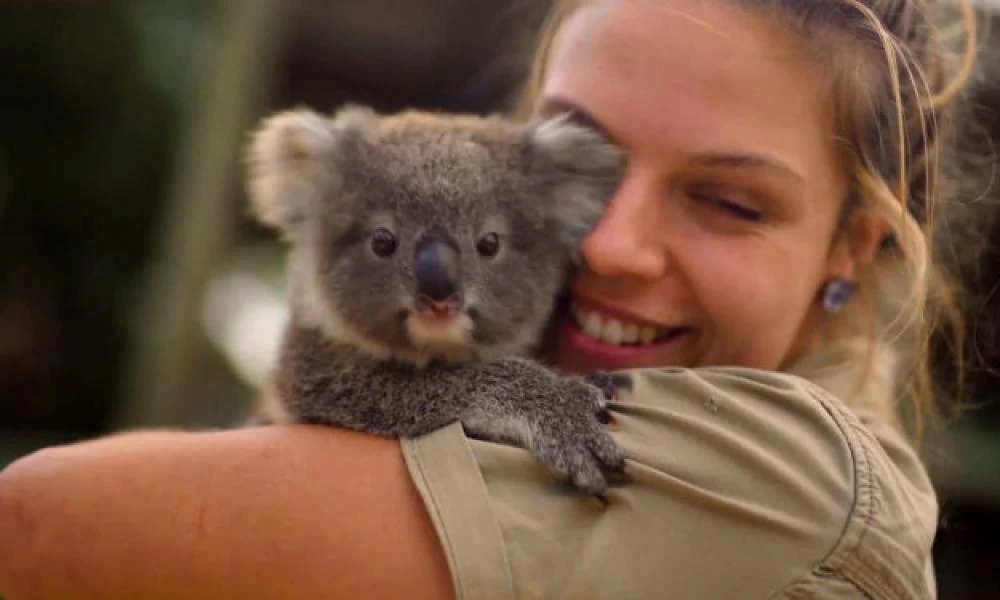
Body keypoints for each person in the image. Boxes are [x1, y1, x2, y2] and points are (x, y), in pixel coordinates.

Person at [0, 0, 984, 597]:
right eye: (577, 168)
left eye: (728, 201)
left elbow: (36, 526)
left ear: (851, 248)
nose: (606, 239)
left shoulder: (789, 481)